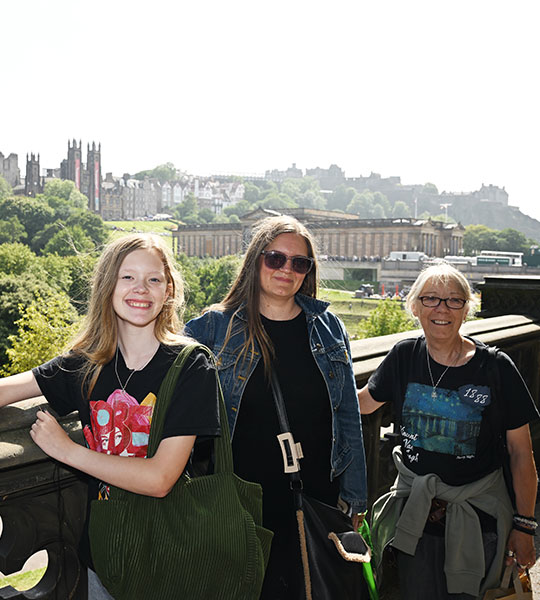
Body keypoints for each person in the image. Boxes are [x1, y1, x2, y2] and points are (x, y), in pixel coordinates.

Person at [0, 234, 220, 599]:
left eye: (154, 279)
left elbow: (160, 478)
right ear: (108, 286)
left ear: (168, 290)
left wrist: (67, 451)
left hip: (174, 555)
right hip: (106, 555)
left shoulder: (191, 366)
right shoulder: (86, 364)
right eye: (127, 277)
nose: (141, 289)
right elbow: (7, 389)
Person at [185, 214, 368, 599]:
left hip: (316, 492)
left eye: (299, 263)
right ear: (256, 261)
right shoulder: (215, 327)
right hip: (244, 500)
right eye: (275, 258)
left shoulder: (328, 326)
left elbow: (347, 413)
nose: (287, 269)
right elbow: (156, 359)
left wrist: (355, 496)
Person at [358, 261, 539, 599]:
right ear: (414, 307)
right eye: (430, 299)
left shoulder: (496, 367)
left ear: (466, 309)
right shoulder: (403, 356)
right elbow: (364, 403)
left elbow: (520, 454)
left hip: (478, 517)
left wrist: (525, 526)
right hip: (415, 516)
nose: (442, 309)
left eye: (454, 300)